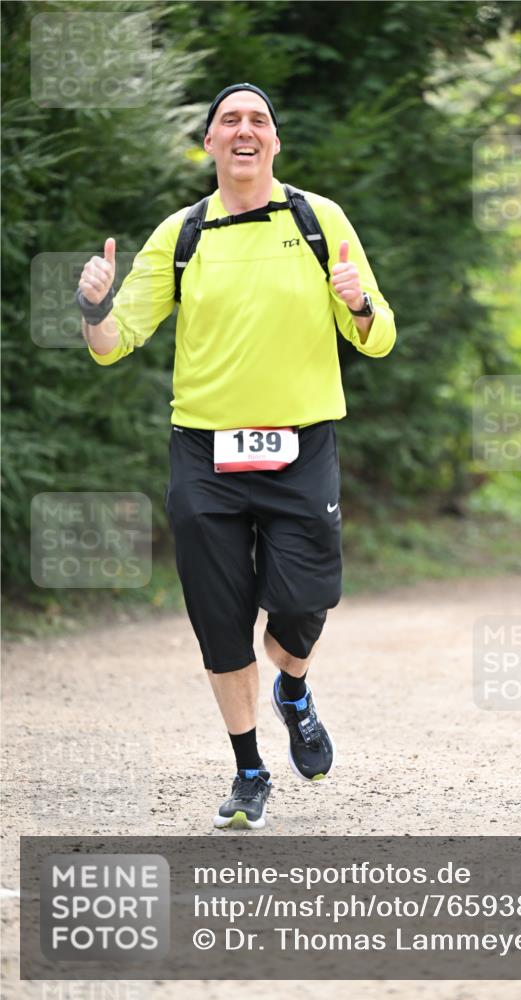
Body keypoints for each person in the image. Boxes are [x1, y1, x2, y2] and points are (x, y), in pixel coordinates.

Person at [77, 82, 396, 830]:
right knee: (220, 621)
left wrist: (354, 301)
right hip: (205, 455)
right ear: (211, 144)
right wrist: (92, 306)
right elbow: (113, 343)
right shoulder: (182, 234)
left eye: (258, 120)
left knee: (302, 600)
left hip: (300, 447)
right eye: (230, 121)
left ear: (275, 143)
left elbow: (378, 337)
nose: (244, 130)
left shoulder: (320, 222)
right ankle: (249, 769)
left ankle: (293, 691)